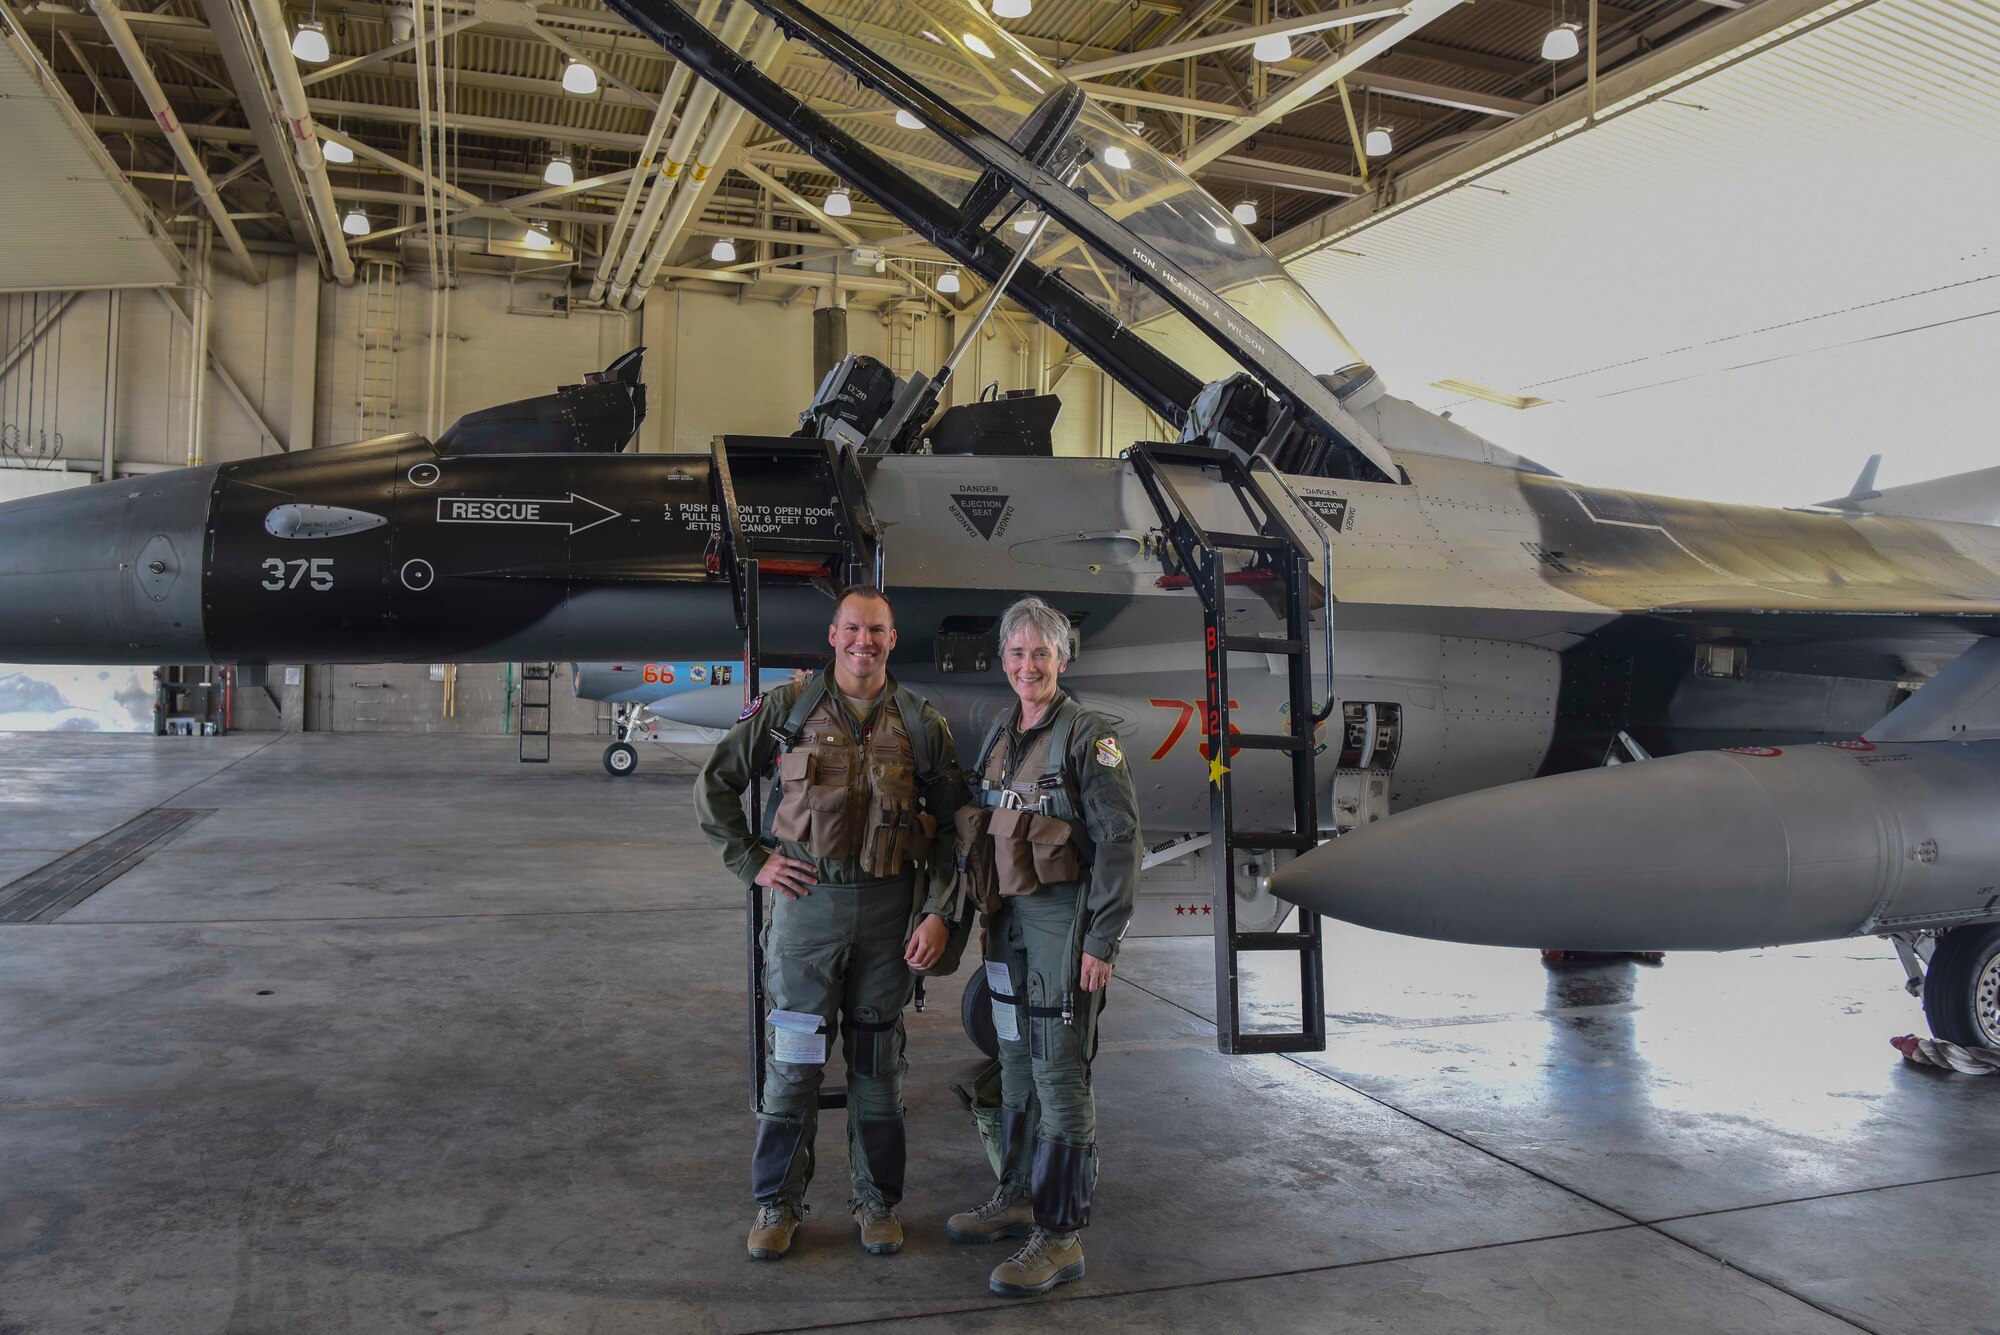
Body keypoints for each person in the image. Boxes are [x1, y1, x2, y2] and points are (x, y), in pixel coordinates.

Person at [696, 586, 962, 1261]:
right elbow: (715, 782)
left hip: (888, 915)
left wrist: (938, 910)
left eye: (876, 631)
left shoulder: (923, 722)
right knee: (794, 1063)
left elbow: (956, 829)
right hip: (806, 914)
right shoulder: (789, 708)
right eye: (852, 629)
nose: (862, 642)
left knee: (878, 1066)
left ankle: (877, 1204)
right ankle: (778, 1204)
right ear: (833, 633)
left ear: (892, 638)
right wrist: (752, 859)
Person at [944, 595, 1140, 1298]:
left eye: (1042, 653)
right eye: (1018, 653)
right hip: (1007, 926)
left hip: (1063, 927)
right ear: (1004, 660)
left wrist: (1102, 938)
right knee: (1017, 1058)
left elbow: (1120, 843)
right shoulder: (1003, 730)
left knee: (1059, 1071)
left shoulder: (1089, 737)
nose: (1029, 665)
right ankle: (1019, 1194)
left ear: (1063, 659)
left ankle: (1060, 1237)